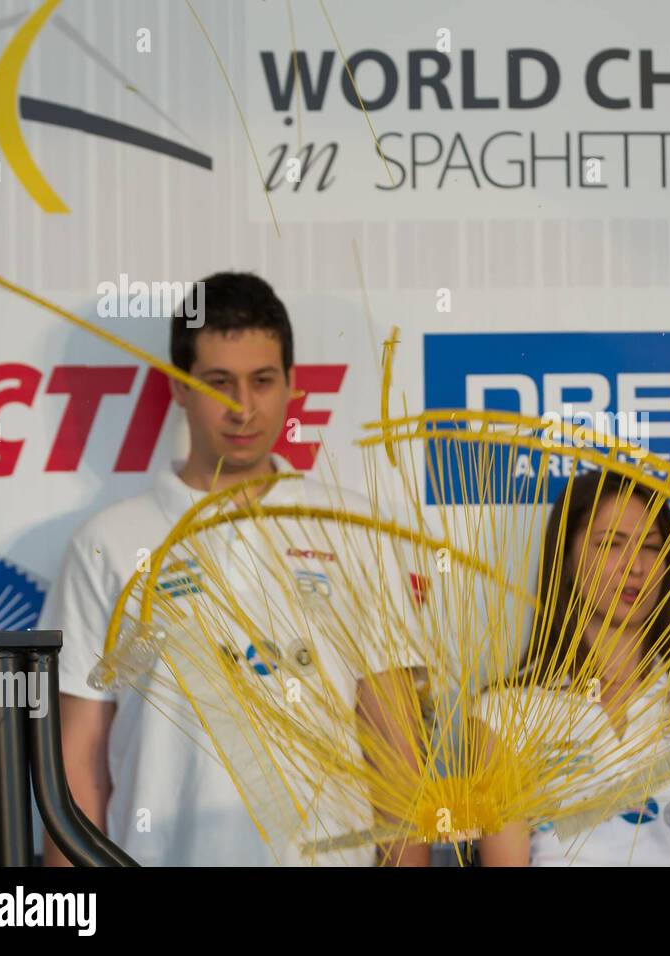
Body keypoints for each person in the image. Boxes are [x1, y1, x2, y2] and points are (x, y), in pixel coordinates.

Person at [41, 272, 426, 866]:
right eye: (219, 383)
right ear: (179, 387)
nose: (242, 408)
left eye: (262, 381)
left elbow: (396, 749)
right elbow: (77, 763)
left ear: (292, 385)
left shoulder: (353, 530)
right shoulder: (108, 543)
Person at [474, 470, 670, 866]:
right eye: (611, 544)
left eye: (652, 547)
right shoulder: (504, 711)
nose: (635, 566)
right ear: (566, 557)